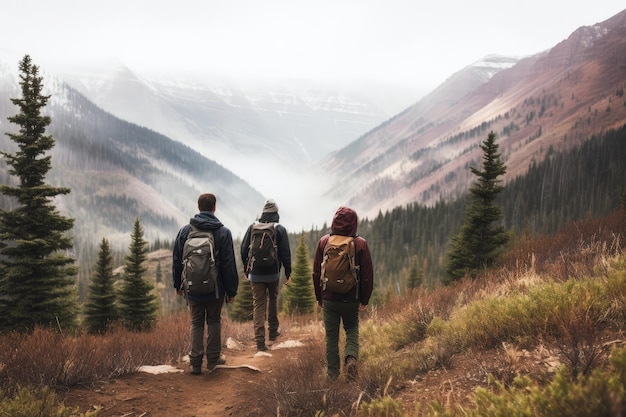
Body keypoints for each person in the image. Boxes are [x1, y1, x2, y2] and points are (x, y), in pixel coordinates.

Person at [172, 193, 239, 375]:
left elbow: (177, 259)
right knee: (214, 321)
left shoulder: (185, 231)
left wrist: (178, 284)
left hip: (192, 288)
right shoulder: (223, 232)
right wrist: (231, 290)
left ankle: (195, 362)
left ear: (198, 207)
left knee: (196, 322)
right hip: (215, 289)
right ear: (214, 207)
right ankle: (213, 359)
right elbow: (228, 263)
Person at [312, 206, 373, 381]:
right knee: (352, 328)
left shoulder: (324, 241)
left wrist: (319, 297)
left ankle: (332, 376)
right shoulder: (360, 243)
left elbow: (316, 272)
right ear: (354, 223)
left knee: (331, 337)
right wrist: (364, 299)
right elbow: (367, 275)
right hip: (351, 298)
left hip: (329, 297)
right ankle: (351, 359)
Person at [240, 198, 292, 351]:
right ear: (276, 214)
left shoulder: (252, 227)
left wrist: (246, 269)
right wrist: (288, 272)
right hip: (273, 272)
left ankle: (260, 341)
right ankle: (273, 332)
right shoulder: (279, 229)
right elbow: (286, 253)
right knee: (273, 299)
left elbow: (244, 249)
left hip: (255, 273)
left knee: (258, 304)